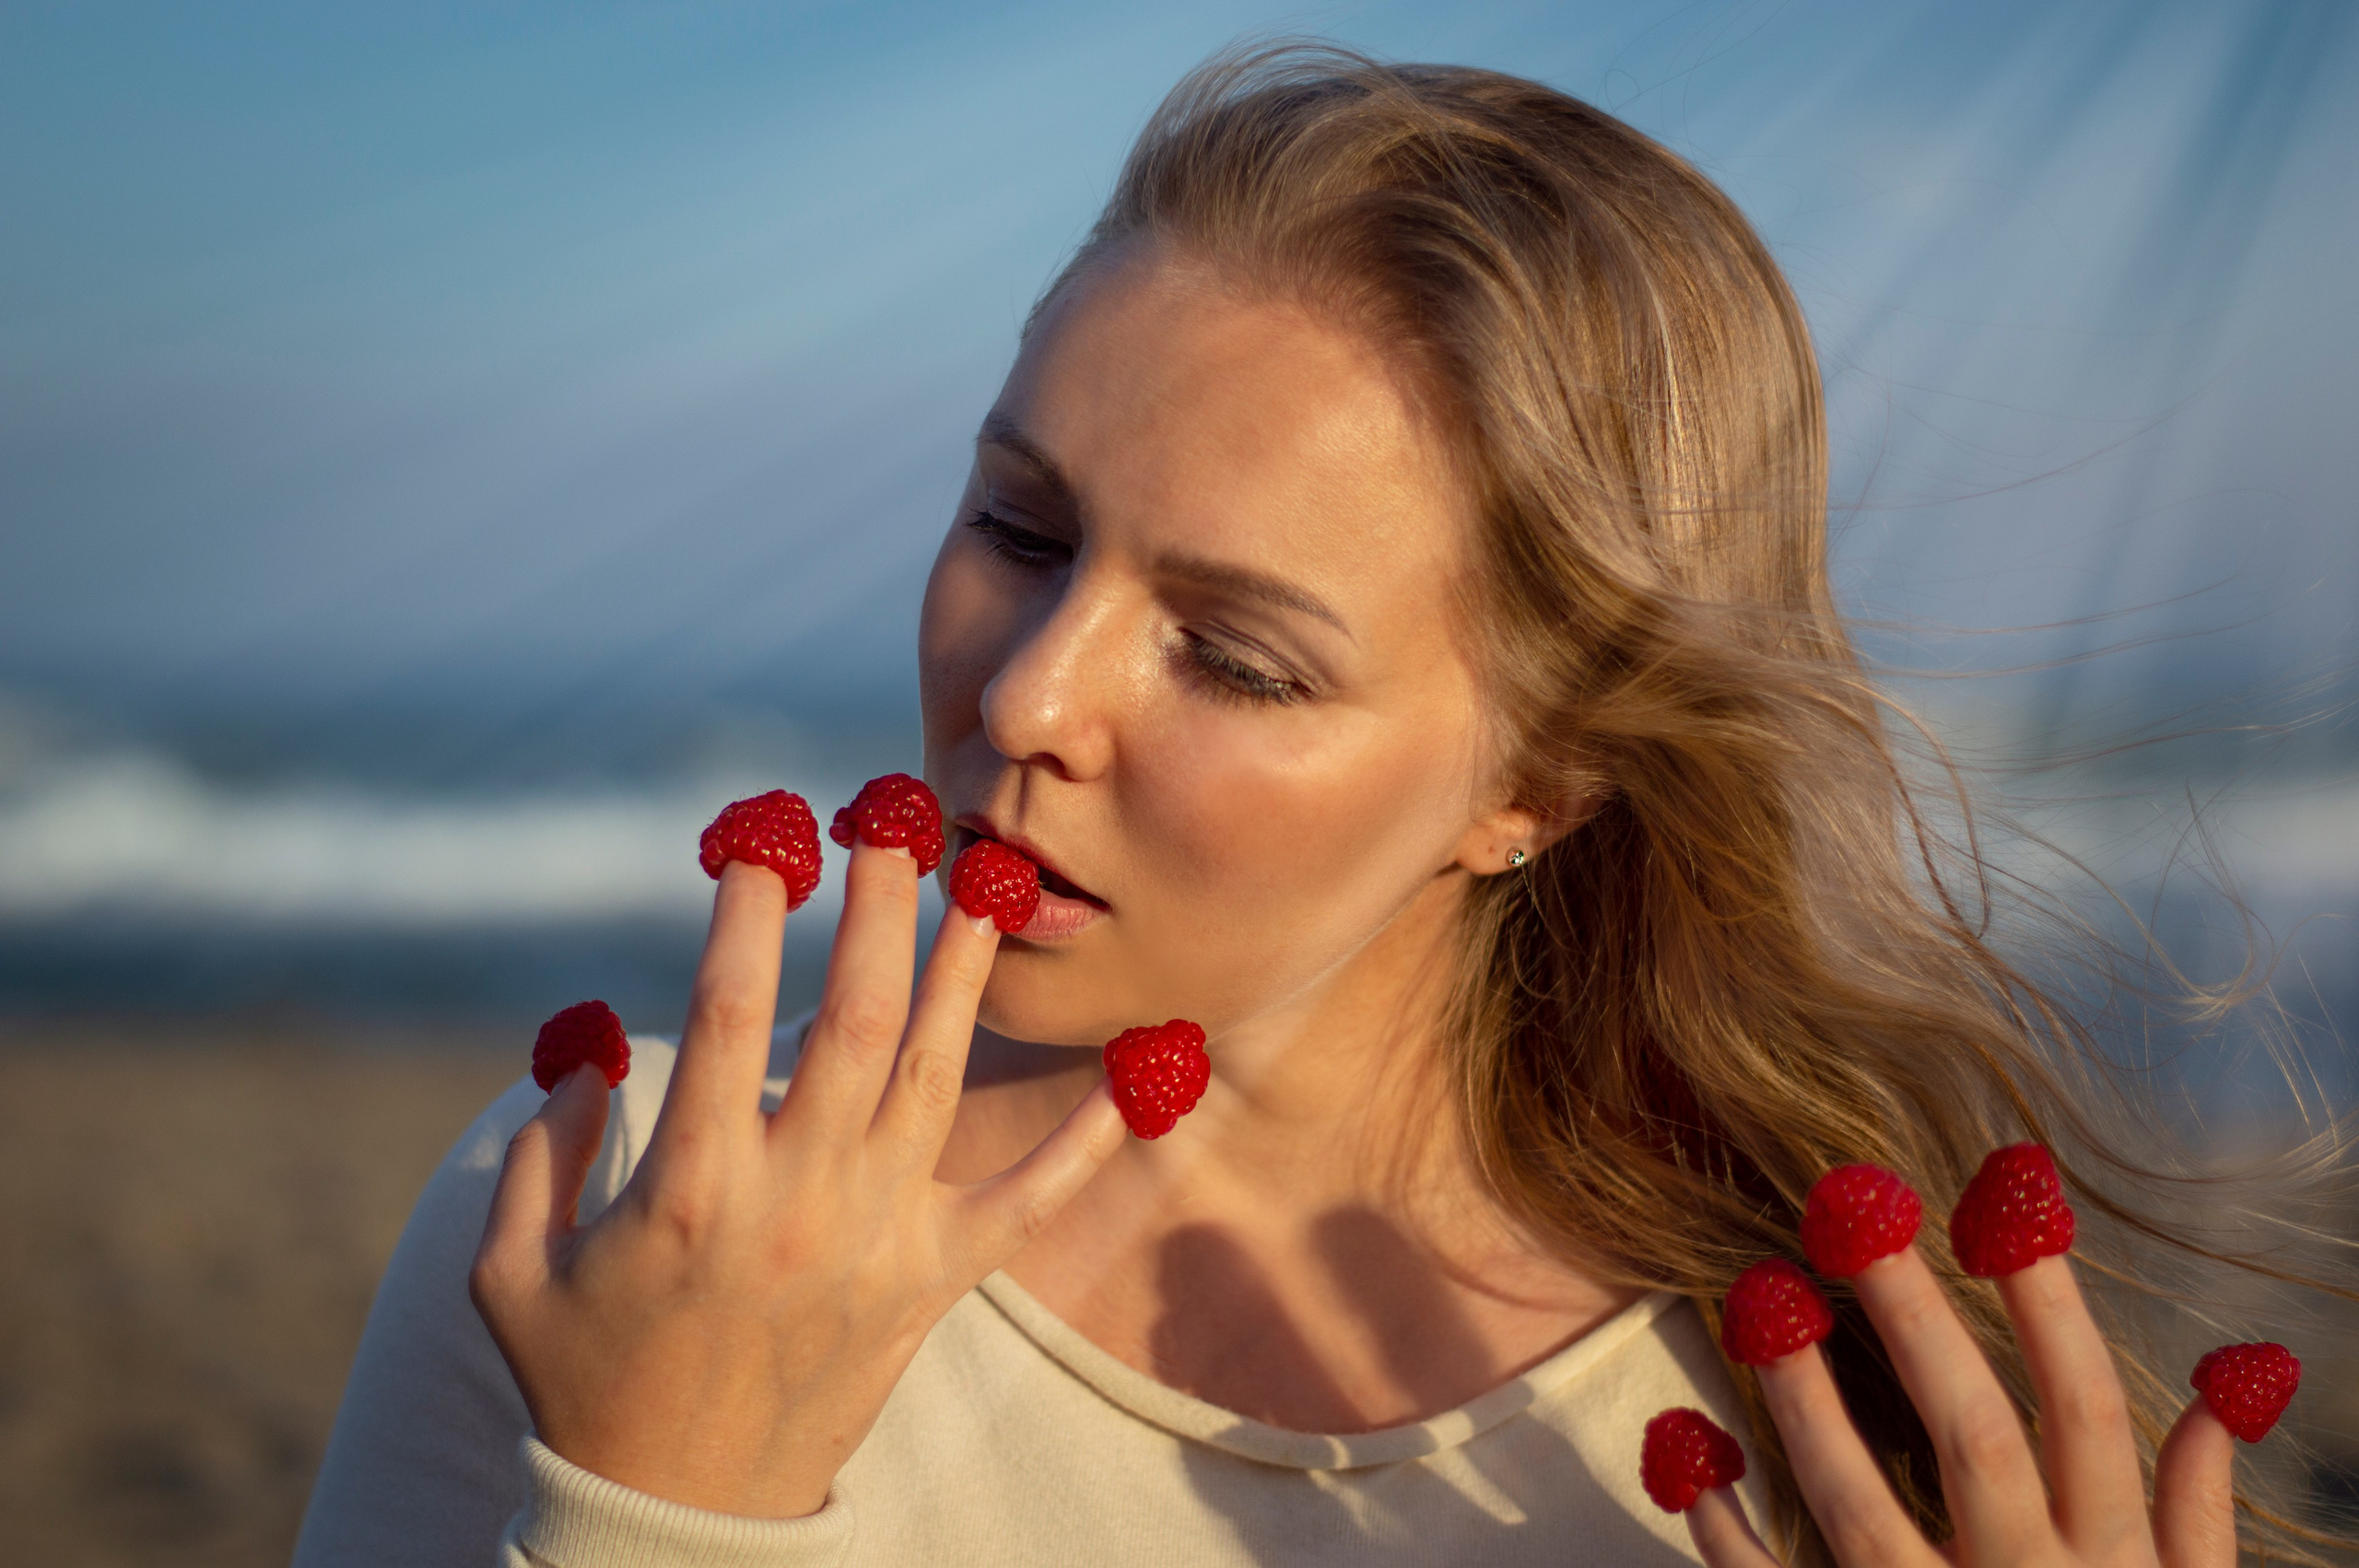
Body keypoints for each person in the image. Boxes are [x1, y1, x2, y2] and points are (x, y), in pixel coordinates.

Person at [293, 45, 2337, 1568]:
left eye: (1238, 654)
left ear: (1539, 779)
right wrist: (665, 1498)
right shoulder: (603, 1217)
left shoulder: (1800, 1395)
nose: (1024, 690)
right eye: (1015, 521)